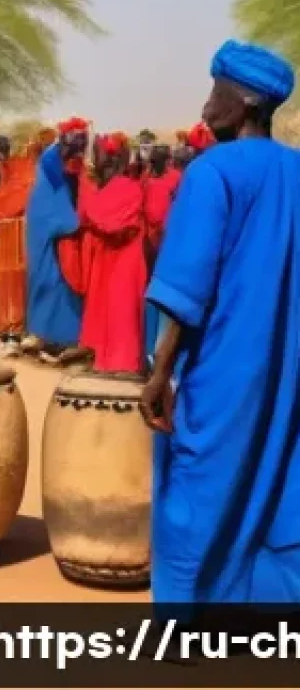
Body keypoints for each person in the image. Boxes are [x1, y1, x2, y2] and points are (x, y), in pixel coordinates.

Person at [142, 39, 300, 604]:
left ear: (250, 101)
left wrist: (160, 372)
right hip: (286, 367)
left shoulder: (214, 173)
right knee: (275, 482)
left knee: (197, 493)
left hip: (221, 368)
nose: (207, 109)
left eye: (218, 94)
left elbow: (187, 288)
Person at [78, 132, 146, 373]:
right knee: (105, 306)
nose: (95, 157)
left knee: (121, 307)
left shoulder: (129, 188)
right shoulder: (104, 188)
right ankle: (105, 359)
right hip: (107, 256)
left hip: (124, 258)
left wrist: (90, 212)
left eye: (100, 152)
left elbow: (110, 222)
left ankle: (123, 363)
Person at [23, 118, 88, 359]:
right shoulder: (51, 160)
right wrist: (72, 219)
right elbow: (53, 192)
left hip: (61, 220)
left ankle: (63, 335)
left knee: (63, 279)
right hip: (48, 220)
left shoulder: (70, 159)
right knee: (46, 276)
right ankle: (42, 333)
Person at [0, 138, 36, 356]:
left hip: (13, 237)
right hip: (8, 236)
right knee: (9, 283)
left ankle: (11, 334)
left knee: (11, 283)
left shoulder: (18, 175)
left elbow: (0, 203)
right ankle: (9, 333)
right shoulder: (11, 174)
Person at [142, 144, 180, 361]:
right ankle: (154, 351)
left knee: (157, 294)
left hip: (159, 242)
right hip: (158, 243)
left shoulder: (165, 180)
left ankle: (154, 351)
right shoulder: (157, 179)